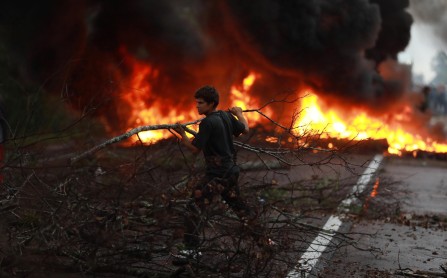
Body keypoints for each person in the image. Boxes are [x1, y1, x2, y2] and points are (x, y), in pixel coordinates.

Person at [173, 85, 252, 259]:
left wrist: (181, 134)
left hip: (217, 175)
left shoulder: (207, 122)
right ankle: (264, 240)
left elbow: (194, 149)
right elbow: (245, 129)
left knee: (193, 206)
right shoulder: (225, 115)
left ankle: (191, 250)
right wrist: (239, 114)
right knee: (240, 208)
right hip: (230, 172)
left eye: (201, 103)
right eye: (197, 103)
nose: (197, 106)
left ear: (211, 104)